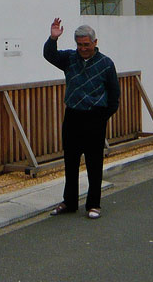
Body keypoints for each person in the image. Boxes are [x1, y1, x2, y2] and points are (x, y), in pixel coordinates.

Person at [43, 17, 119, 219]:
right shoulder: (69, 58)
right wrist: (53, 38)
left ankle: (94, 204)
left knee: (94, 163)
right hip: (73, 116)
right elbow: (49, 55)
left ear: (95, 42)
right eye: (79, 45)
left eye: (86, 44)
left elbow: (114, 96)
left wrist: (103, 116)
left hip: (95, 117)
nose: (83, 48)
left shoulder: (106, 64)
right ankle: (69, 202)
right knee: (70, 162)